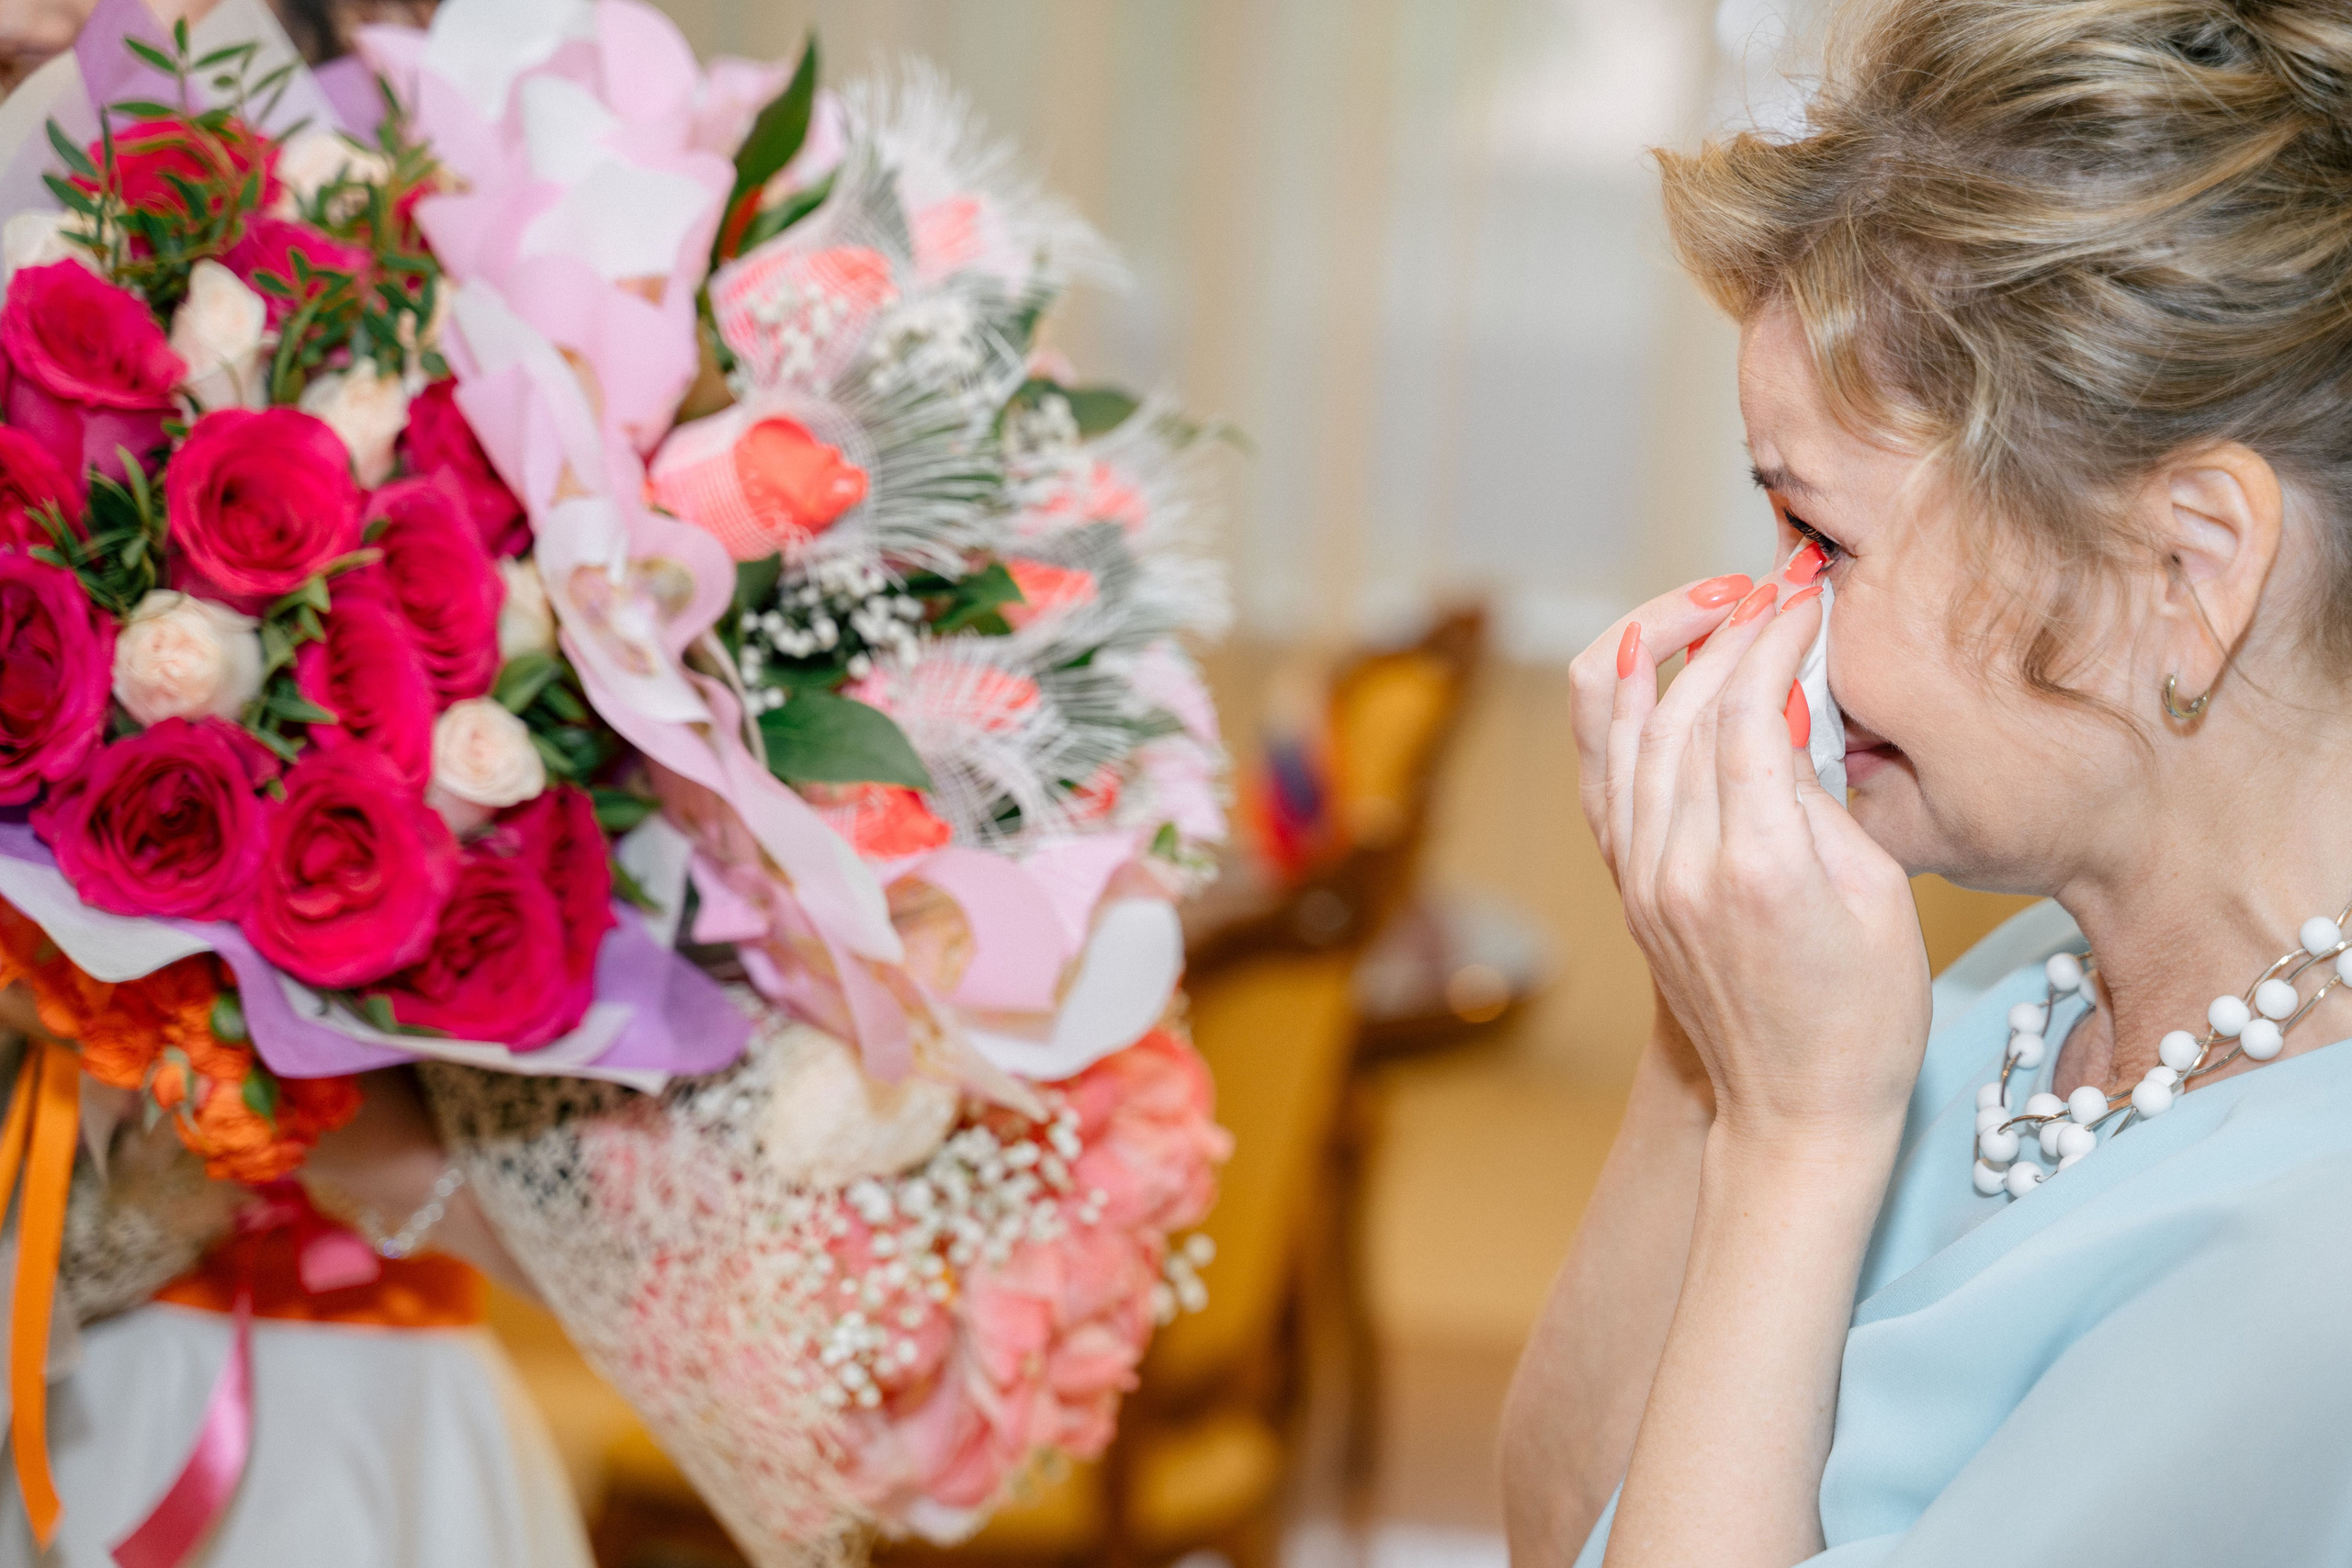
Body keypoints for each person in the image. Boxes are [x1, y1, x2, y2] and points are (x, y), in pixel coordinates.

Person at [1499, 2, 2352, 1563]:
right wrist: (1709, 1036)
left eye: (1823, 537)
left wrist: (1799, 1139)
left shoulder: (2310, 1265)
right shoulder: (2011, 990)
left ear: (2190, 565)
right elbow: (1562, 1527)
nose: (1774, 620)